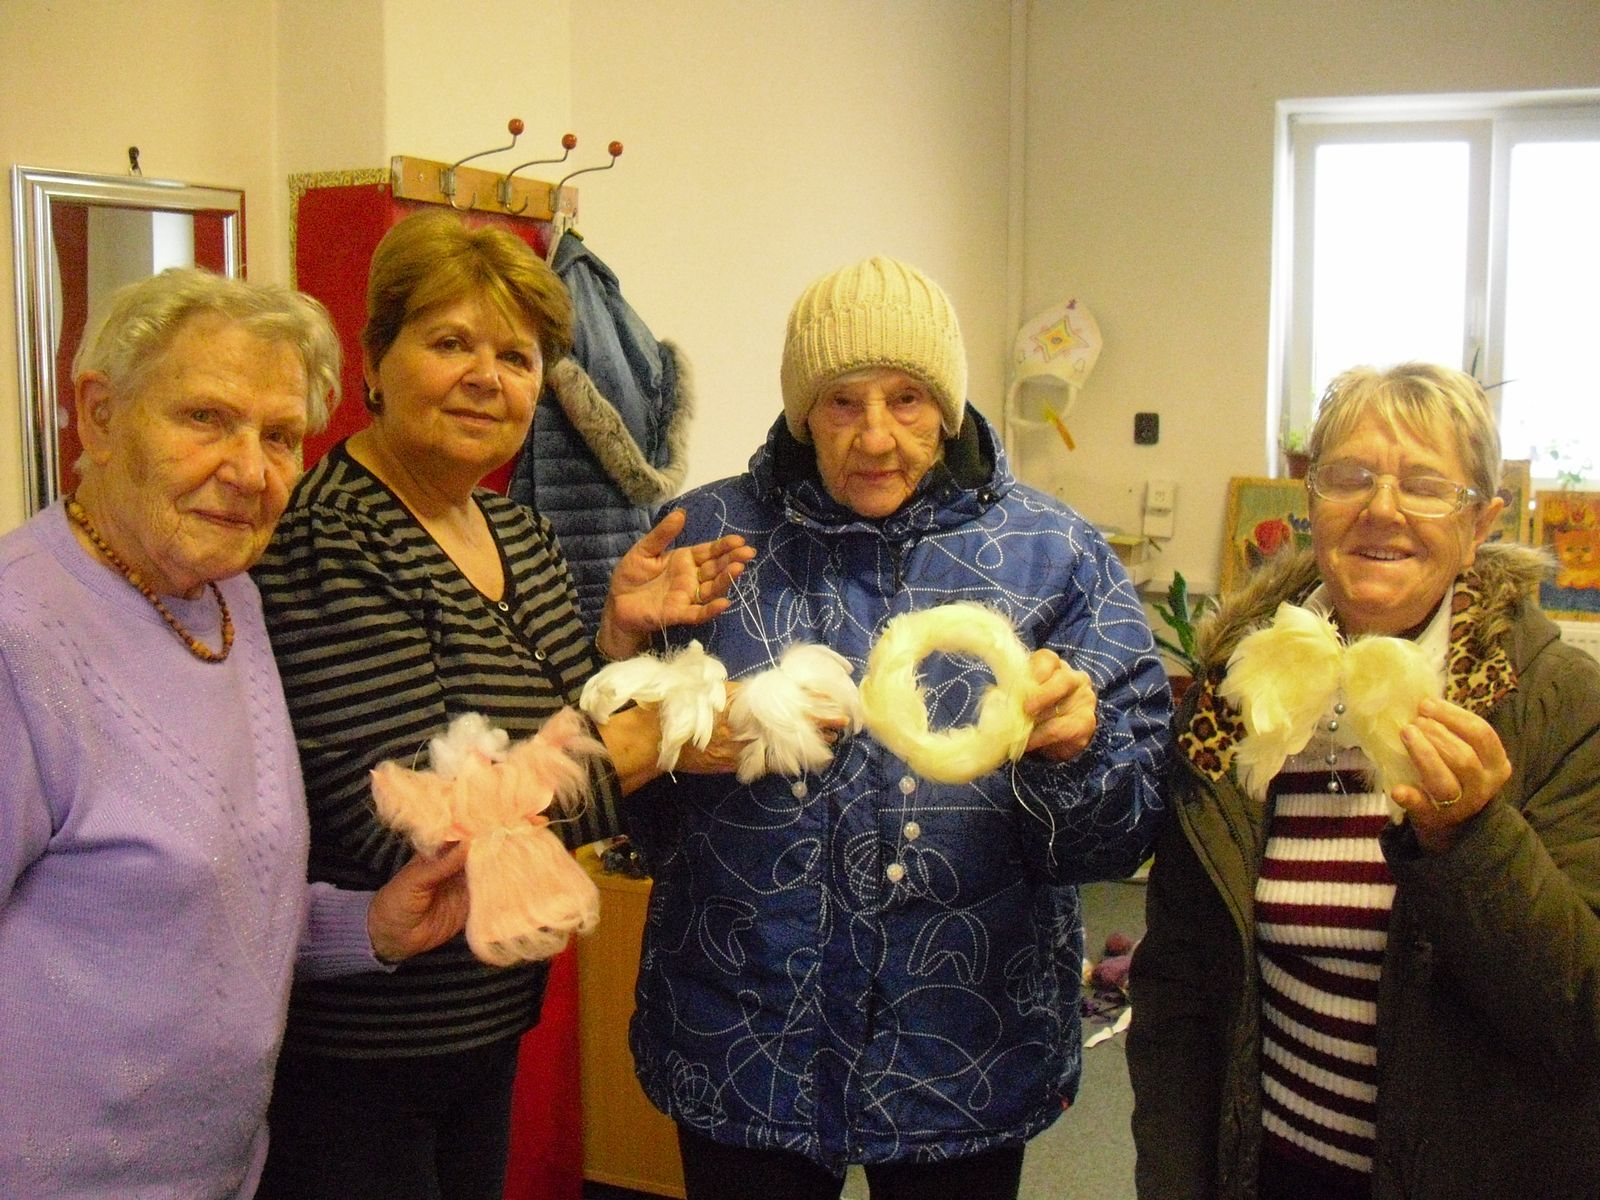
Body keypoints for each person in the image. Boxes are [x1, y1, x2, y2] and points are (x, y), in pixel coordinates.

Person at [610, 256, 1172, 1199]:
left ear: (946, 407)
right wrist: (624, 655)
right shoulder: (704, 542)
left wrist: (1077, 755)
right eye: (842, 402)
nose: (875, 436)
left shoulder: (1056, 556)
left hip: (966, 1048)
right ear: (802, 412)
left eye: (907, 399)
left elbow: (1121, 836)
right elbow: (635, 821)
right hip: (743, 1041)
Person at [250, 209, 753, 1200]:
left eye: (517, 358)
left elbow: (549, 722)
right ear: (375, 363)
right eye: (450, 343)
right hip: (365, 1050)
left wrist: (616, 640)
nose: (487, 377)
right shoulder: (333, 539)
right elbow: (417, 821)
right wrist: (664, 733)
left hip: (486, 1020)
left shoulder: (515, 530)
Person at [0, 268, 472, 1199]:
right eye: (205, 419)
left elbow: (203, 905)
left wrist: (370, 926)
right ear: (99, 416)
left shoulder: (231, 601)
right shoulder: (20, 636)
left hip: (220, 1173)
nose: (250, 471)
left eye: (281, 436)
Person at [1127, 363, 1600, 1199]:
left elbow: (1579, 1014)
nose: (1383, 508)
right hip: (1269, 1169)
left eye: (1425, 486)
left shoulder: (1559, 707)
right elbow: (1180, 990)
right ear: (1310, 501)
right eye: (1350, 477)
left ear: (1479, 524)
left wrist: (1473, 840)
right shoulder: (1239, 699)